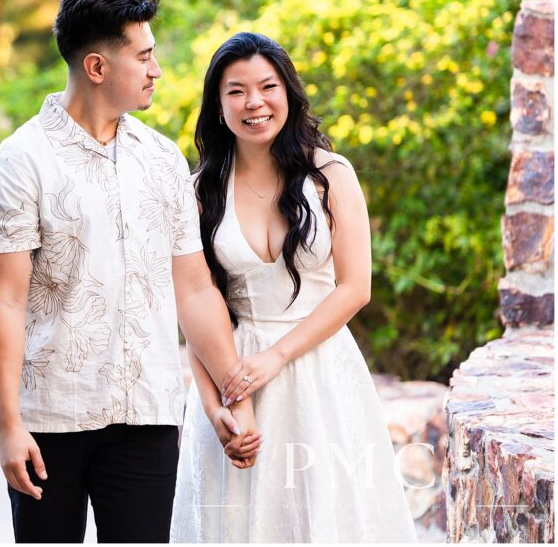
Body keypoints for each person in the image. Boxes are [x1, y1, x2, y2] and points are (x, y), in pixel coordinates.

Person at [0, 0, 259, 543]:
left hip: (148, 413)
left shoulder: (162, 160)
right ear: (98, 67)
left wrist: (232, 395)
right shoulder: (18, 165)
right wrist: (9, 426)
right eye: (144, 56)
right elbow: (2, 301)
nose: (157, 70)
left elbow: (195, 289)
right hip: (52, 419)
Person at [170, 32, 418, 542]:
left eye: (267, 86)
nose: (254, 103)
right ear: (218, 106)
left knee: (325, 517)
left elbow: (355, 288)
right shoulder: (199, 193)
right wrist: (213, 403)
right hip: (232, 376)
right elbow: (195, 306)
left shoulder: (330, 175)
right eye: (235, 91)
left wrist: (277, 357)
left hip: (320, 372)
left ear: (289, 92)